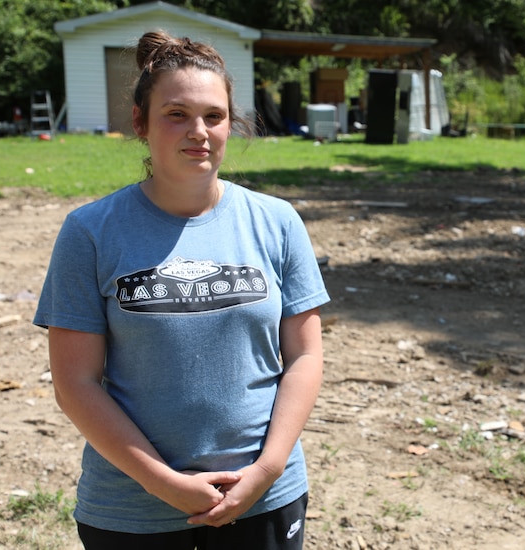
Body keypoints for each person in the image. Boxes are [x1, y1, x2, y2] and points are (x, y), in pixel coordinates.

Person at [33, 30, 329, 550]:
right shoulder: (90, 232)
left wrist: (266, 470)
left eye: (214, 116)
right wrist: (161, 482)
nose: (199, 132)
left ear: (230, 124)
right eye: (176, 114)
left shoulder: (277, 222)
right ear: (140, 123)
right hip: (132, 508)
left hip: (263, 497)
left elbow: (304, 356)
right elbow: (75, 382)